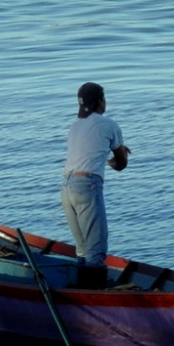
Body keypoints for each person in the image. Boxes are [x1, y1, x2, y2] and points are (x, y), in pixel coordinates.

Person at [61, 82, 130, 267]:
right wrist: (118, 157)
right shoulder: (109, 124)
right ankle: (94, 290)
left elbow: (90, 155)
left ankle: (79, 287)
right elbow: (121, 164)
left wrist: (106, 159)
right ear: (100, 102)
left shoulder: (75, 126)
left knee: (82, 250)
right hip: (87, 186)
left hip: (67, 187)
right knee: (96, 249)